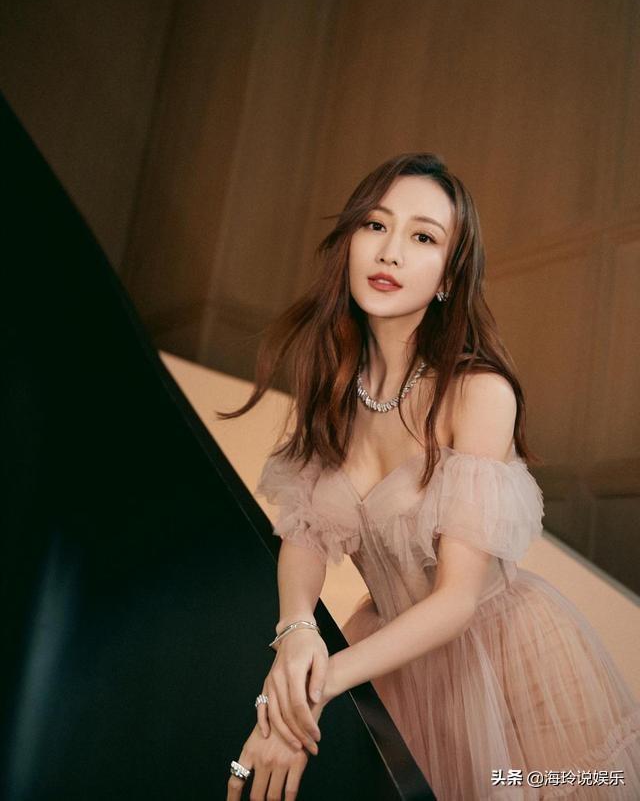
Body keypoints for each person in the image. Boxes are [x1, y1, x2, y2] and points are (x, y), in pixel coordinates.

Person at [221, 153, 640, 800]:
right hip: (394, 663)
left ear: (448, 276)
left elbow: (455, 601)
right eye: (376, 225)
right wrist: (297, 630)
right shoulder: (332, 389)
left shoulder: (479, 393)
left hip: (501, 661)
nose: (390, 251)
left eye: (423, 237)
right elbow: (303, 535)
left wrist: (312, 689)